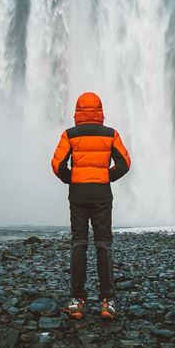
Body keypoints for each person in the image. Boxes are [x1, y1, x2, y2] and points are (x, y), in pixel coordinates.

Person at [51, 91, 131, 320]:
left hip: (78, 194)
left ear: (77, 111)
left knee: (79, 244)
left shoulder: (70, 135)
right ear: (100, 111)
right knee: (104, 245)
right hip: (102, 194)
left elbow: (57, 165)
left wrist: (72, 178)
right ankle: (108, 301)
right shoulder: (110, 134)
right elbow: (124, 164)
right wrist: (107, 177)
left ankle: (77, 301)